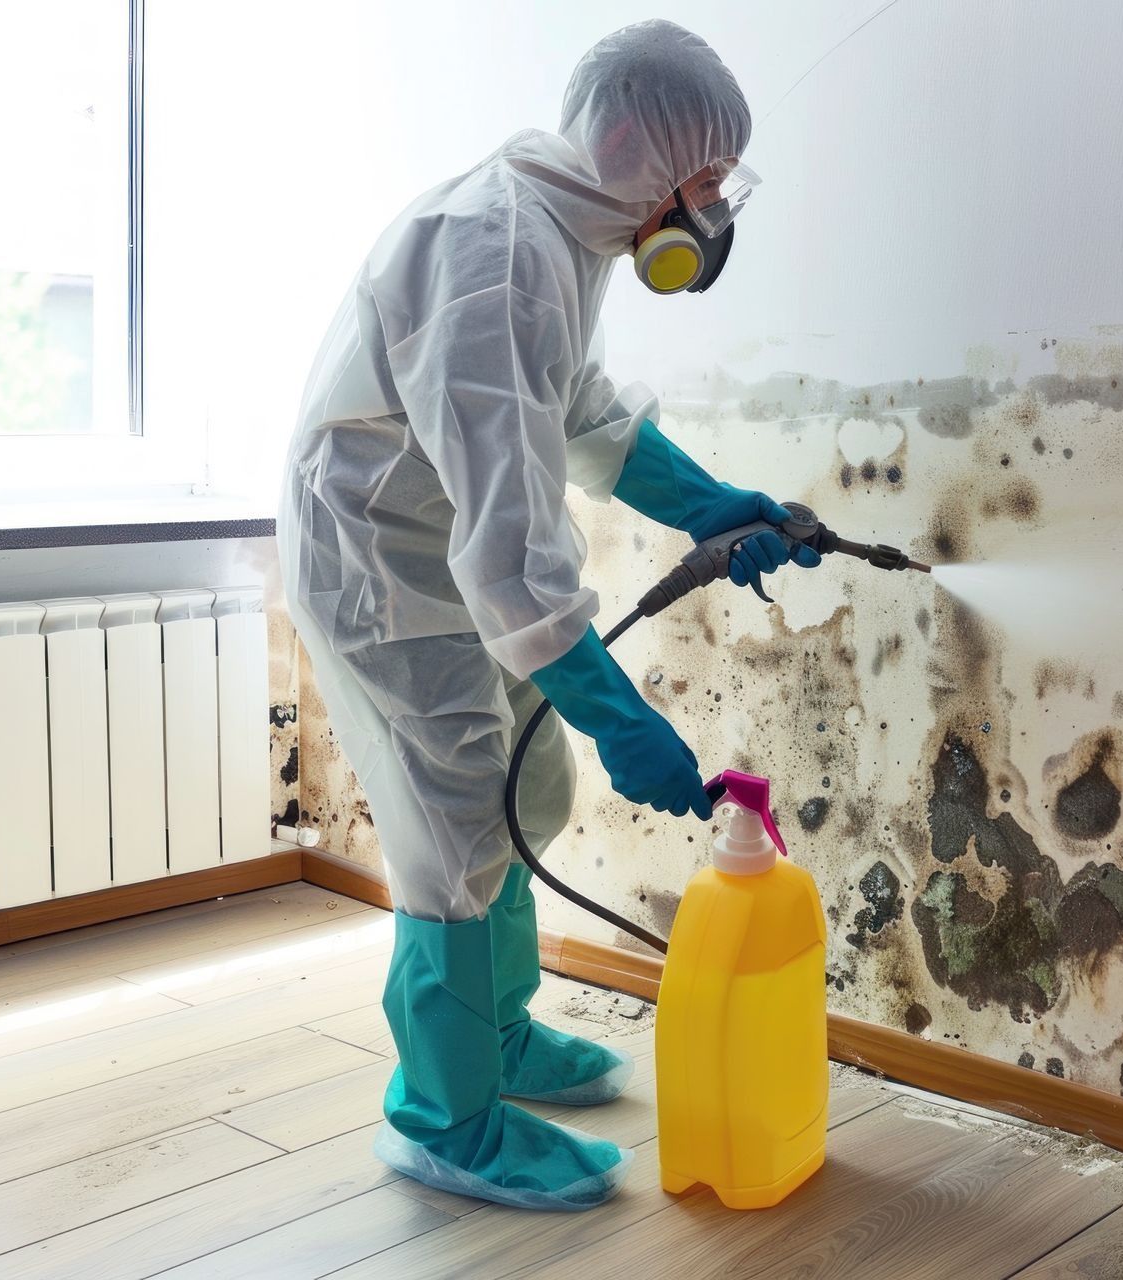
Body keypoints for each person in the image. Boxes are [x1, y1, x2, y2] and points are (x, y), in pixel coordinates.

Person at [278, 20, 814, 1211]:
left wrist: (710, 501)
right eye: (706, 179)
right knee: (459, 820)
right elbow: (513, 560)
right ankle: (443, 1115)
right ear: (635, 143)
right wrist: (627, 719)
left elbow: (581, 415)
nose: (711, 211)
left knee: (530, 790)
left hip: (447, 548)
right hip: (381, 562)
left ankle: (500, 1036)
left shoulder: (565, 235)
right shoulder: (492, 256)